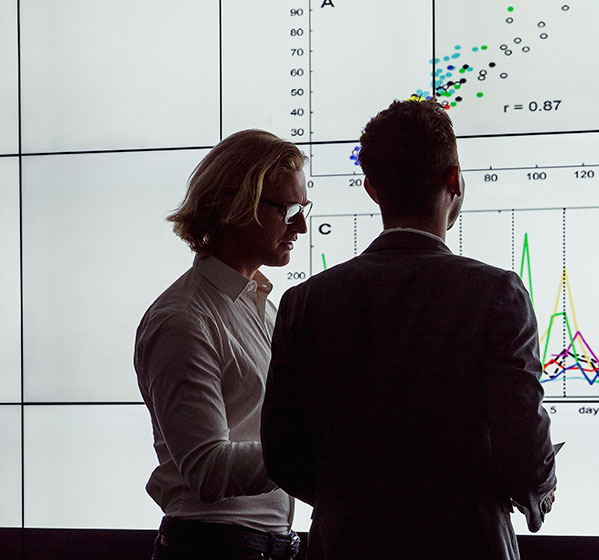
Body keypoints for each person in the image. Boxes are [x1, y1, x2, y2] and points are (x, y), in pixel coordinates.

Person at [262, 99, 557, 559]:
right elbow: (523, 441)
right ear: (454, 180)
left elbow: (282, 453)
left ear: (371, 189)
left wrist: (358, 501)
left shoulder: (305, 302)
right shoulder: (497, 293)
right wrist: (540, 490)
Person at [134, 129, 311, 560]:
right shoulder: (183, 320)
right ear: (234, 205)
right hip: (212, 546)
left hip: (262, 546)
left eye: (303, 209)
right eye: (287, 209)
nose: (301, 225)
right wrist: (314, 448)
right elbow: (208, 469)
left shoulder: (262, 307)